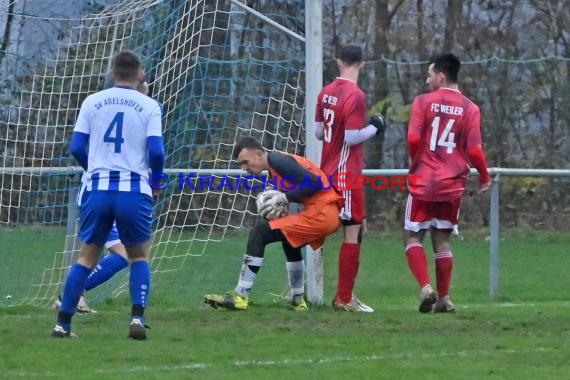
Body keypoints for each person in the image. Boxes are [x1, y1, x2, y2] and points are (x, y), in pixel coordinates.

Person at [52, 51, 164, 339]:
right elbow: (156, 152)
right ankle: (137, 319)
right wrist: (156, 180)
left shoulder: (93, 101)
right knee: (138, 257)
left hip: (97, 188)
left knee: (87, 258)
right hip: (133, 190)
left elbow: (76, 146)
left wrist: (95, 168)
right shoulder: (149, 105)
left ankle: (63, 325)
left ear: (112, 72)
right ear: (140, 74)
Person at [204, 136, 344, 311]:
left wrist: (284, 197)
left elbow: (315, 183)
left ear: (259, 153)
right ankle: (297, 300)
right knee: (289, 239)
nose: (244, 168)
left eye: (245, 162)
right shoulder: (273, 166)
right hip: (323, 213)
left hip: (322, 213)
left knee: (260, 232)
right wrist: (279, 195)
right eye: (241, 164)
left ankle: (241, 295)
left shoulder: (277, 160)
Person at [404, 52, 491, 313]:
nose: (426, 79)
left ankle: (426, 288)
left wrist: (418, 161)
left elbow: (412, 138)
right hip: (452, 184)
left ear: (441, 76)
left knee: (412, 237)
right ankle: (444, 299)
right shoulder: (470, 108)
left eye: (429, 75)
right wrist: (484, 176)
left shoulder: (423, 102)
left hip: (423, 180)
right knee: (442, 240)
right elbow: (474, 150)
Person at [314, 44, 385, 312]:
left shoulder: (325, 92)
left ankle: (341, 295)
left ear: (337, 61)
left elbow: (319, 133)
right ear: (362, 64)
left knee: (333, 228)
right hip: (346, 174)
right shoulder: (355, 95)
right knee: (353, 233)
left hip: (326, 171)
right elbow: (352, 137)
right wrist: (375, 127)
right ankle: (344, 297)